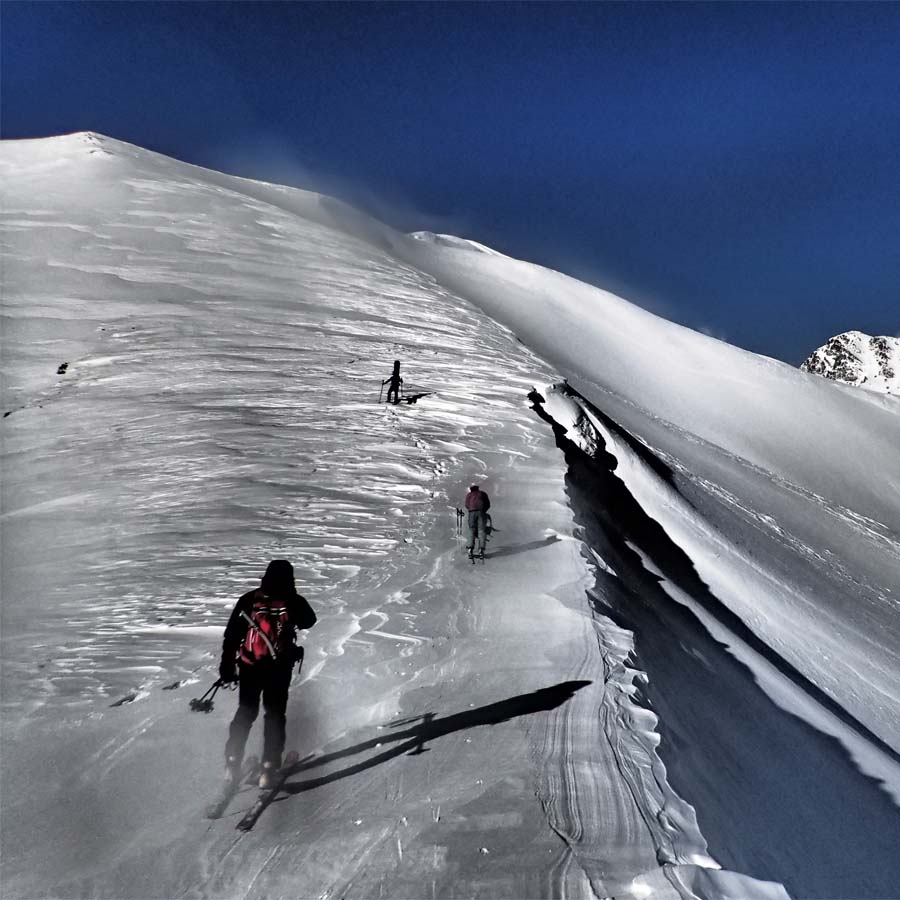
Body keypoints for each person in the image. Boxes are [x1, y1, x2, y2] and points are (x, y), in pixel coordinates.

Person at [218, 560, 316, 787]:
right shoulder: (292, 600)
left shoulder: (249, 599)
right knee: (274, 714)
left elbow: (232, 635)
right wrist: (292, 598)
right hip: (278, 668)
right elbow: (309, 621)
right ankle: (269, 767)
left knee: (245, 712)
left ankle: (232, 761)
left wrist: (227, 665)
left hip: (249, 666)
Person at [464, 483, 491, 559]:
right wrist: (483, 511)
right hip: (481, 512)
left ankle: (470, 549)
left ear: (471, 489)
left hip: (472, 513)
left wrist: (471, 509)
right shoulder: (483, 493)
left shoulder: (469, 495)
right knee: (482, 530)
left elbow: (466, 505)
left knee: (471, 530)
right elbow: (488, 504)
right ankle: (481, 550)